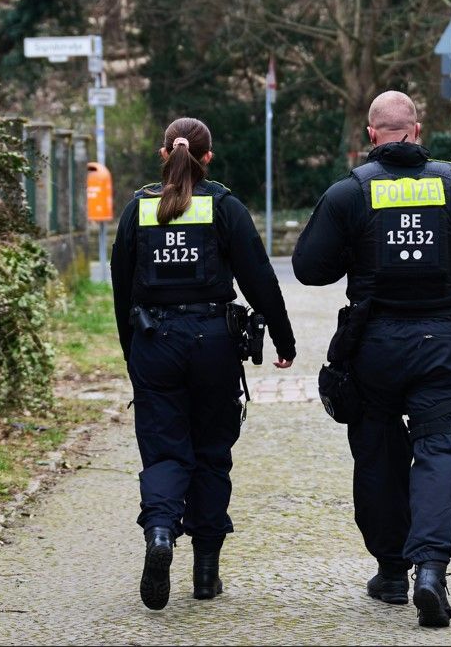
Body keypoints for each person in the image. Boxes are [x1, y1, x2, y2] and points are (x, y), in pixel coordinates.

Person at [291, 90, 451, 628]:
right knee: (440, 451)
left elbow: (308, 269)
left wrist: (355, 248)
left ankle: (392, 572)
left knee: (377, 454)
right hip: (440, 344)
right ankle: (432, 571)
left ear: (373, 135)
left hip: (374, 347)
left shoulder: (350, 194)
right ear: (416, 129)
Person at [111, 116, 296, 611]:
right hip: (214, 342)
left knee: (166, 452)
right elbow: (259, 277)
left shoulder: (137, 209)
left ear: (163, 154)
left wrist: (134, 353)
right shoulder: (224, 205)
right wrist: (283, 338)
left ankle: (160, 534)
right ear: (207, 157)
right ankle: (206, 573)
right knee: (212, 453)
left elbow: (122, 288)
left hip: (155, 343)